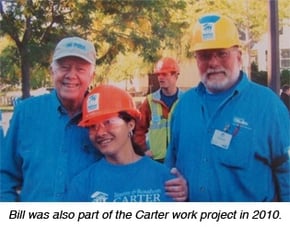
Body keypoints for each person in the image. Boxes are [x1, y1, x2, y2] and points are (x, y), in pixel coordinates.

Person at [0, 37, 187, 202]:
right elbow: (4, 176)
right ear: (52, 71)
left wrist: (175, 186)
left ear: (92, 76)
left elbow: (128, 169)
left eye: (80, 69)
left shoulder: (103, 112)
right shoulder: (26, 113)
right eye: (64, 67)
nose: (71, 75)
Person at [165, 13, 290, 202]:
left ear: (239, 57)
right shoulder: (183, 107)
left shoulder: (268, 106)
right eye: (205, 55)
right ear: (196, 60)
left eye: (222, 53)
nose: (213, 63)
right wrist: (177, 187)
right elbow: (171, 168)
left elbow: (286, 171)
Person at [67, 85, 176, 202]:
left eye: (108, 122)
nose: (100, 132)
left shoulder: (166, 180)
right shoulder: (82, 185)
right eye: (92, 126)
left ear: (130, 125)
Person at [134, 57, 184, 163]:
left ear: (175, 75)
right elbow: (138, 129)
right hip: (156, 160)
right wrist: (143, 150)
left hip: (180, 159)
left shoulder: (185, 100)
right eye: (158, 74)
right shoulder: (150, 101)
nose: (160, 78)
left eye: (164, 74)